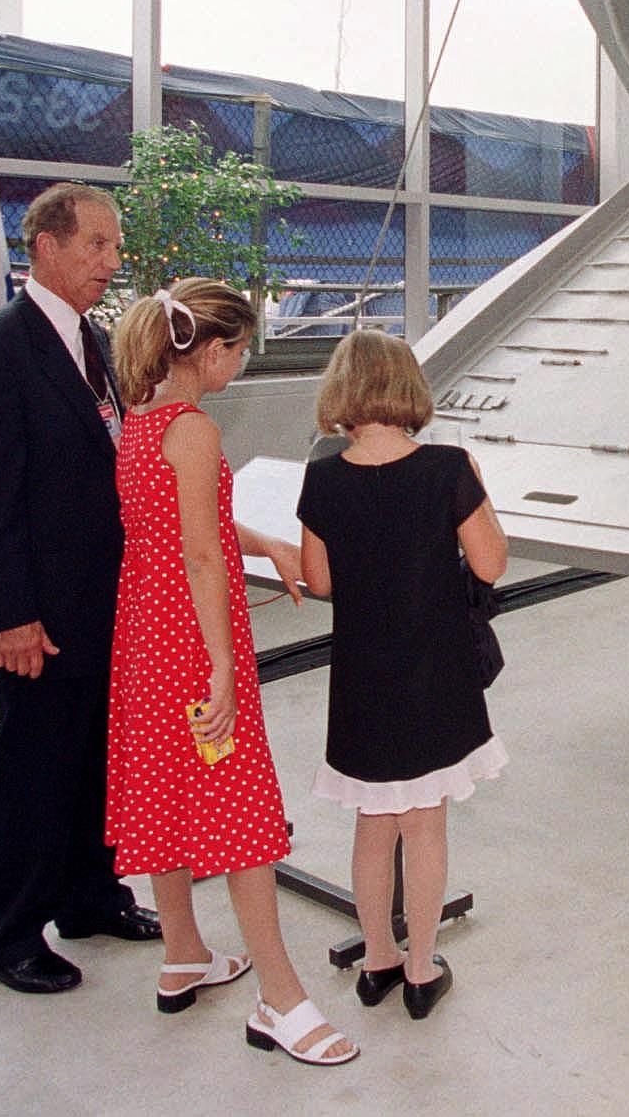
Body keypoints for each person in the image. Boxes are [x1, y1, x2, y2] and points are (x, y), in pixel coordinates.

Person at [107, 278, 354, 1066]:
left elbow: (194, 522)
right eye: (240, 350)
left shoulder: (141, 422)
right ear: (210, 350)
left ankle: (183, 950)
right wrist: (220, 666)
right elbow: (200, 552)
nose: (241, 365)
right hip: (189, 643)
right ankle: (280, 997)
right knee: (239, 809)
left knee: (169, 794)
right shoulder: (196, 431)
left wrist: (268, 544)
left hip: (142, 638)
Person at [0, 183, 161, 994]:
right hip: (35, 616)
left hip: (100, 606)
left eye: (112, 247)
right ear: (46, 246)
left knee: (94, 761)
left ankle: (88, 894)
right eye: (96, 246)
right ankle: (4, 935)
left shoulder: (90, 340)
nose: (111, 261)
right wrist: (8, 615)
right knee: (33, 769)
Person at [297, 330, 508, 1022]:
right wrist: (479, 485)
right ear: (406, 389)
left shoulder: (322, 476)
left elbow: (320, 578)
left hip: (362, 676)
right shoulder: (448, 468)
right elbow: (491, 564)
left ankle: (377, 959)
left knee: (373, 821)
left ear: (343, 395)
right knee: (425, 824)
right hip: (435, 673)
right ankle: (421, 969)